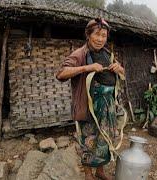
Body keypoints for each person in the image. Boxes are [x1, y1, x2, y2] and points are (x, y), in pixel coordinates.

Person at [56, 18, 125, 180]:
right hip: (89, 107)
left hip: (107, 106)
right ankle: (88, 175)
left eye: (104, 35)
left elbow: (122, 74)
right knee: (89, 140)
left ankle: (100, 171)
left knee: (104, 138)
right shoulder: (80, 53)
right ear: (88, 35)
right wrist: (88, 67)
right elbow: (61, 73)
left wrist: (119, 68)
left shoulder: (107, 54)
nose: (101, 39)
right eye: (97, 35)